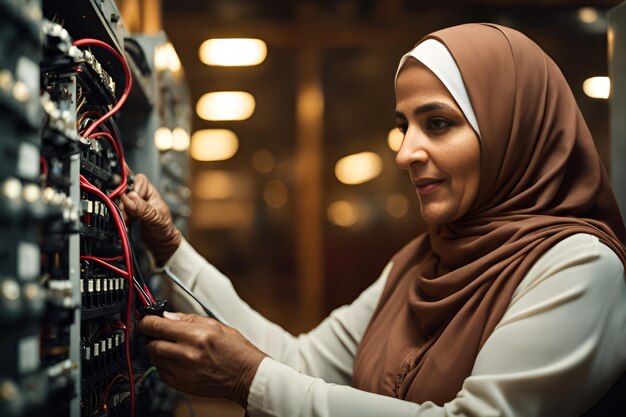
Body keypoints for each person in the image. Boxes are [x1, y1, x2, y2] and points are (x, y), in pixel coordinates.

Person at [121, 23, 626, 416]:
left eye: (438, 124)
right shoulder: (422, 259)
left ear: (513, 131)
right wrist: (170, 247)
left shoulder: (581, 267)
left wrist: (250, 381)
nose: (406, 152)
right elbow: (303, 362)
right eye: (403, 126)